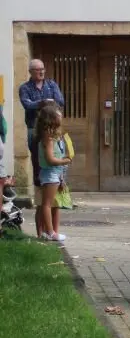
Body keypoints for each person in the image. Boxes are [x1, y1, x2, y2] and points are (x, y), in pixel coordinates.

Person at [19, 59, 65, 197]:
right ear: (31, 72)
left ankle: (58, 185)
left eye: (42, 69)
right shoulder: (25, 88)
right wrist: (43, 103)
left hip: (53, 128)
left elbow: (60, 102)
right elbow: (27, 105)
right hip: (34, 128)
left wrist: (42, 104)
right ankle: (39, 189)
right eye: (38, 70)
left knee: (56, 155)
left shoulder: (51, 85)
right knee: (37, 158)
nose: (41, 72)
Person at [34, 104, 71, 243]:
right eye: (58, 114)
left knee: (51, 204)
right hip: (50, 174)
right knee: (47, 204)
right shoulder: (48, 138)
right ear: (51, 119)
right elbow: (50, 159)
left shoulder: (52, 136)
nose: (61, 116)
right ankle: (50, 232)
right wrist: (64, 161)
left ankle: (50, 231)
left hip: (54, 174)